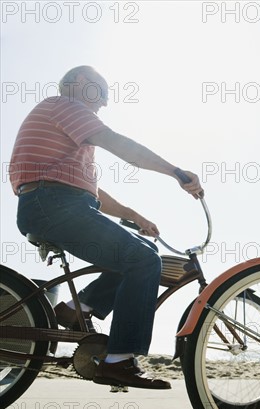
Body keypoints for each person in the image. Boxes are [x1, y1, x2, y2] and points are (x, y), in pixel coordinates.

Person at [9, 66, 203, 390]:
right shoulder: (64, 106)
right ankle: (119, 360)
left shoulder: (66, 130)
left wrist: (136, 217)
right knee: (143, 261)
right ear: (81, 83)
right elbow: (118, 144)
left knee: (144, 253)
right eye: (102, 93)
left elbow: (90, 193)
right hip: (52, 204)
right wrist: (176, 172)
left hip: (55, 203)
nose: (104, 103)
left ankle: (76, 309)